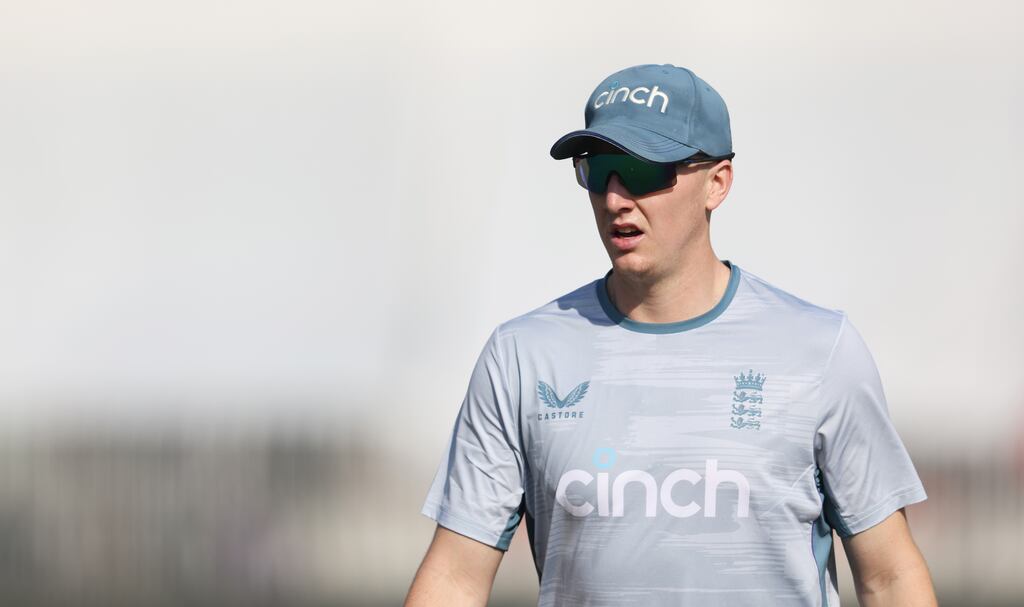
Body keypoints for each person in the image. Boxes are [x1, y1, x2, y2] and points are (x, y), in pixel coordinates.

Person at [404, 63, 936, 606]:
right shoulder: (522, 357)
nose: (615, 199)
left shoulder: (819, 351)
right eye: (598, 170)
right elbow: (455, 579)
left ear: (717, 183)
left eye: (641, 171)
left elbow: (889, 577)